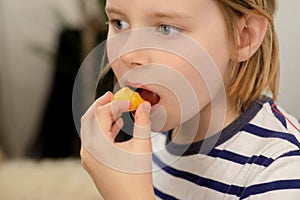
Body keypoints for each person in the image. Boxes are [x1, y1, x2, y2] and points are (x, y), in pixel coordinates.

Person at [79, 0, 300, 199]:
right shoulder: (146, 145)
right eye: (119, 24)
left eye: (166, 29)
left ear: (244, 38)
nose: (128, 54)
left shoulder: (282, 171)